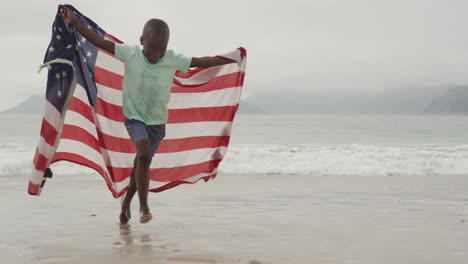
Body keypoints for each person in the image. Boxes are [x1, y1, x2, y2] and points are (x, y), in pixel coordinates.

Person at [59, 5, 239, 224]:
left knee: (140, 165)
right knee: (143, 155)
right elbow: (99, 43)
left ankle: (126, 203)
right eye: (152, 49)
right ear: (142, 40)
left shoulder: (172, 59)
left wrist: (230, 59)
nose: (156, 54)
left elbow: (200, 62)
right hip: (134, 118)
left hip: (157, 124)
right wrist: (75, 23)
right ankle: (144, 207)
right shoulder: (131, 53)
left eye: (161, 50)